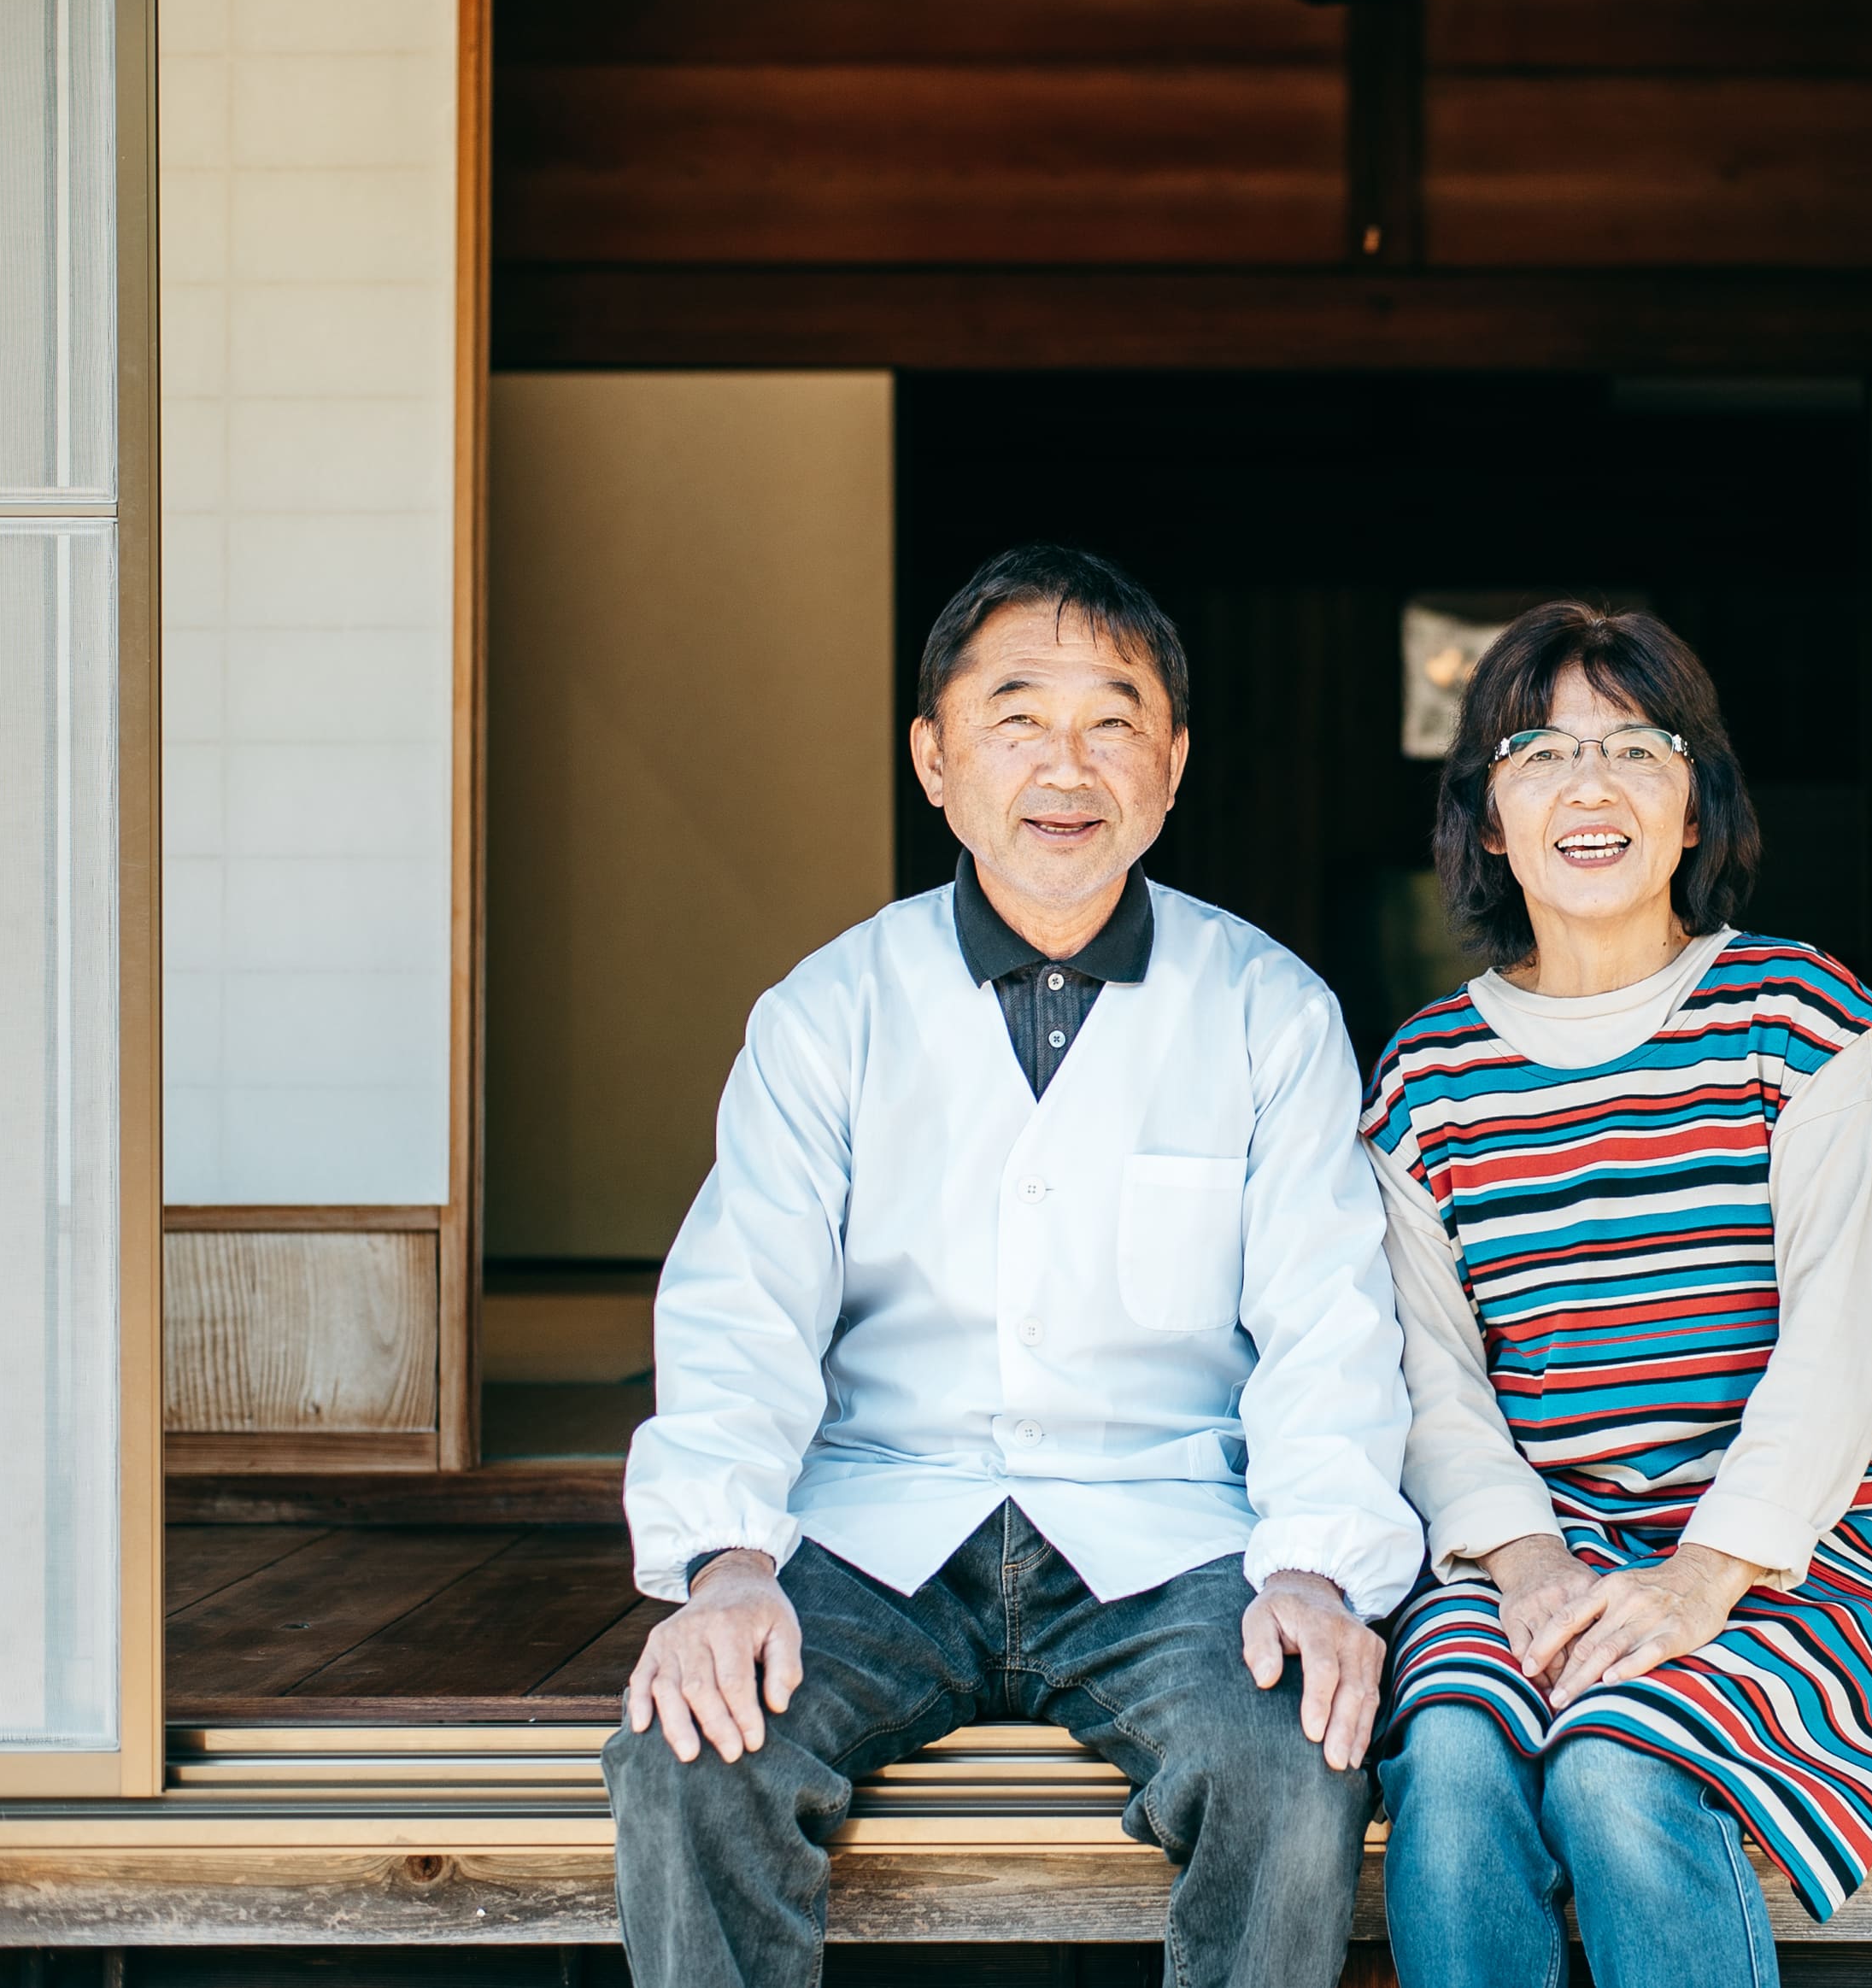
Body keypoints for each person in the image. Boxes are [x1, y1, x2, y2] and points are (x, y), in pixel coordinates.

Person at [603, 542, 1422, 1988]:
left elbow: (1327, 1322)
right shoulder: (830, 1010)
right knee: (692, 1742)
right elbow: (741, 1306)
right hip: (877, 1522)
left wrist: (1311, 1567)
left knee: (1296, 1754)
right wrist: (726, 1557)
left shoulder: (1268, 1009)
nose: (1068, 762)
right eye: (1015, 714)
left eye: (1113, 720)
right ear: (933, 757)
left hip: (1168, 1534)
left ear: (1170, 763)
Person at [1360, 602, 1872, 1988]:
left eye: (1637, 747)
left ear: (1696, 809)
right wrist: (1525, 1561)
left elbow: (1849, 1335)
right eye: (1541, 751)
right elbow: (1425, 1375)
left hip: (1791, 1539)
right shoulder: (1427, 1079)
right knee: (1446, 1763)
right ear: (1489, 820)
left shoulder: (1797, 1023)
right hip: (1527, 1541)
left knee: (1619, 1770)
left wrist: (1704, 1572)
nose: (1590, 784)